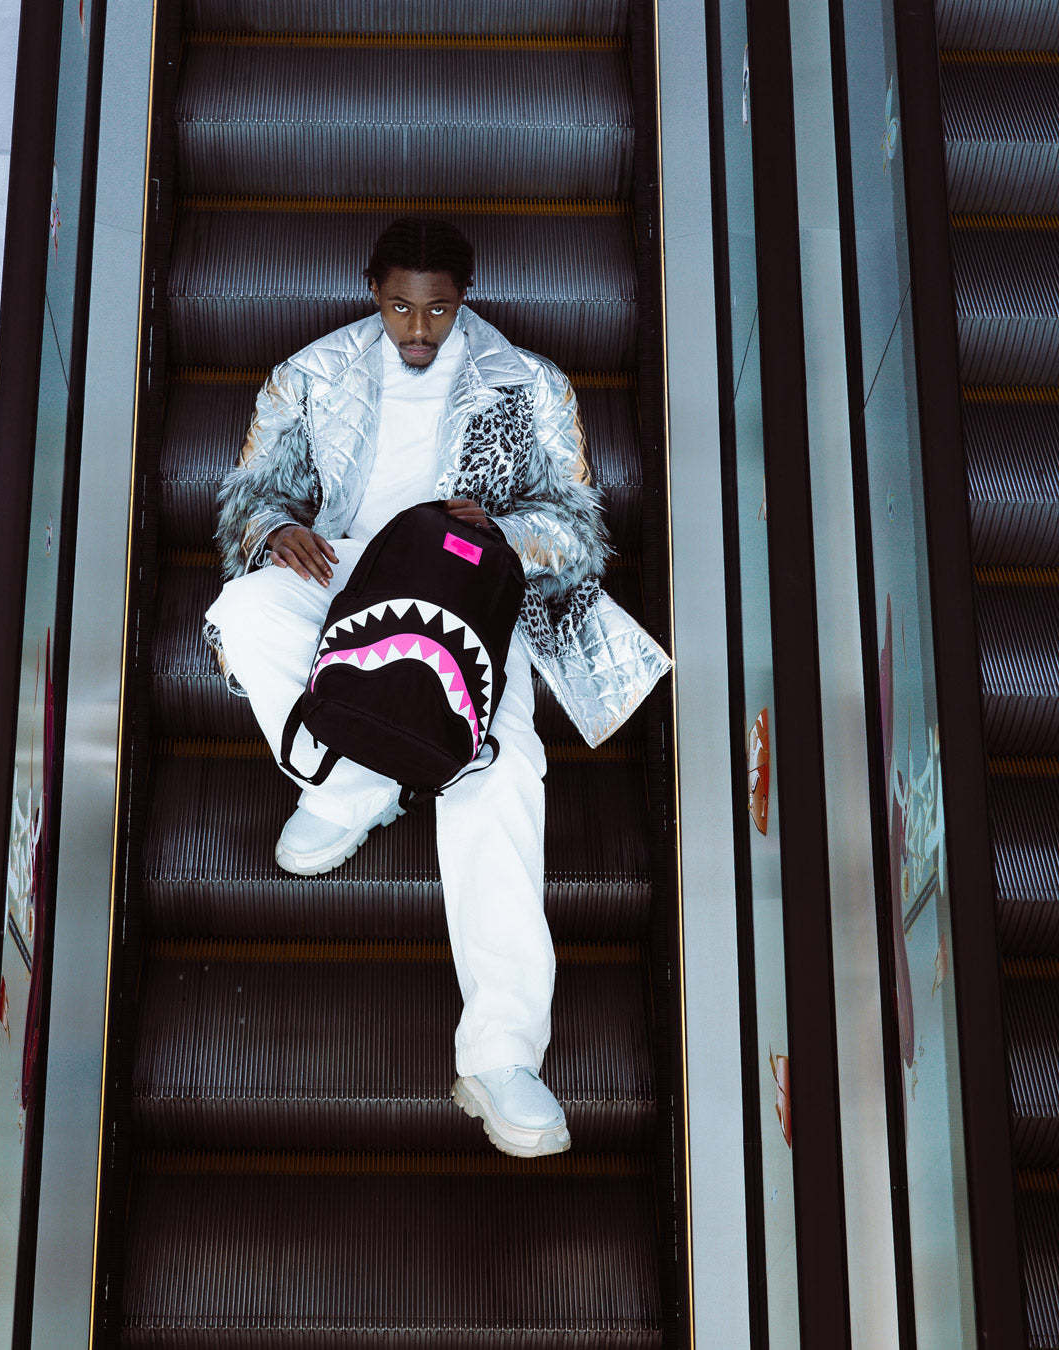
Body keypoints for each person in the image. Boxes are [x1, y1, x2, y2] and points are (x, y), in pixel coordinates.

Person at [204, 216, 670, 1158]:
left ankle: (502, 1056)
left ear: (466, 300)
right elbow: (252, 489)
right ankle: (354, 782)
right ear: (373, 292)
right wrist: (272, 532)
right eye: (400, 308)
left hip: (470, 595)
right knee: (244, 610)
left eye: (439, 310)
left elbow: (578, 530)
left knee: (501, 776)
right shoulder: (311, 373)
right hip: (350, 572)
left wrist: (504, 532)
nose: (418, 329)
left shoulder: (528, 383)